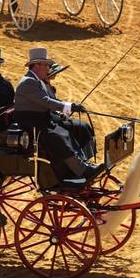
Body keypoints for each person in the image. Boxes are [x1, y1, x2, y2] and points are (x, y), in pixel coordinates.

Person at [14, 46, 105, 182]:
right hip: (31, 126)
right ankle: (81, 170)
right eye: (46, 65)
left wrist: (69, 107)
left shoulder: (36, 81)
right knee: (58, 137)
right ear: (37, 65)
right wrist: (69, 106)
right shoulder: (28, 82)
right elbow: (46, 102)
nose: (48, 69)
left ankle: (81, 166)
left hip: (41, 121)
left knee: (65, 132)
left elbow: (49, 102)